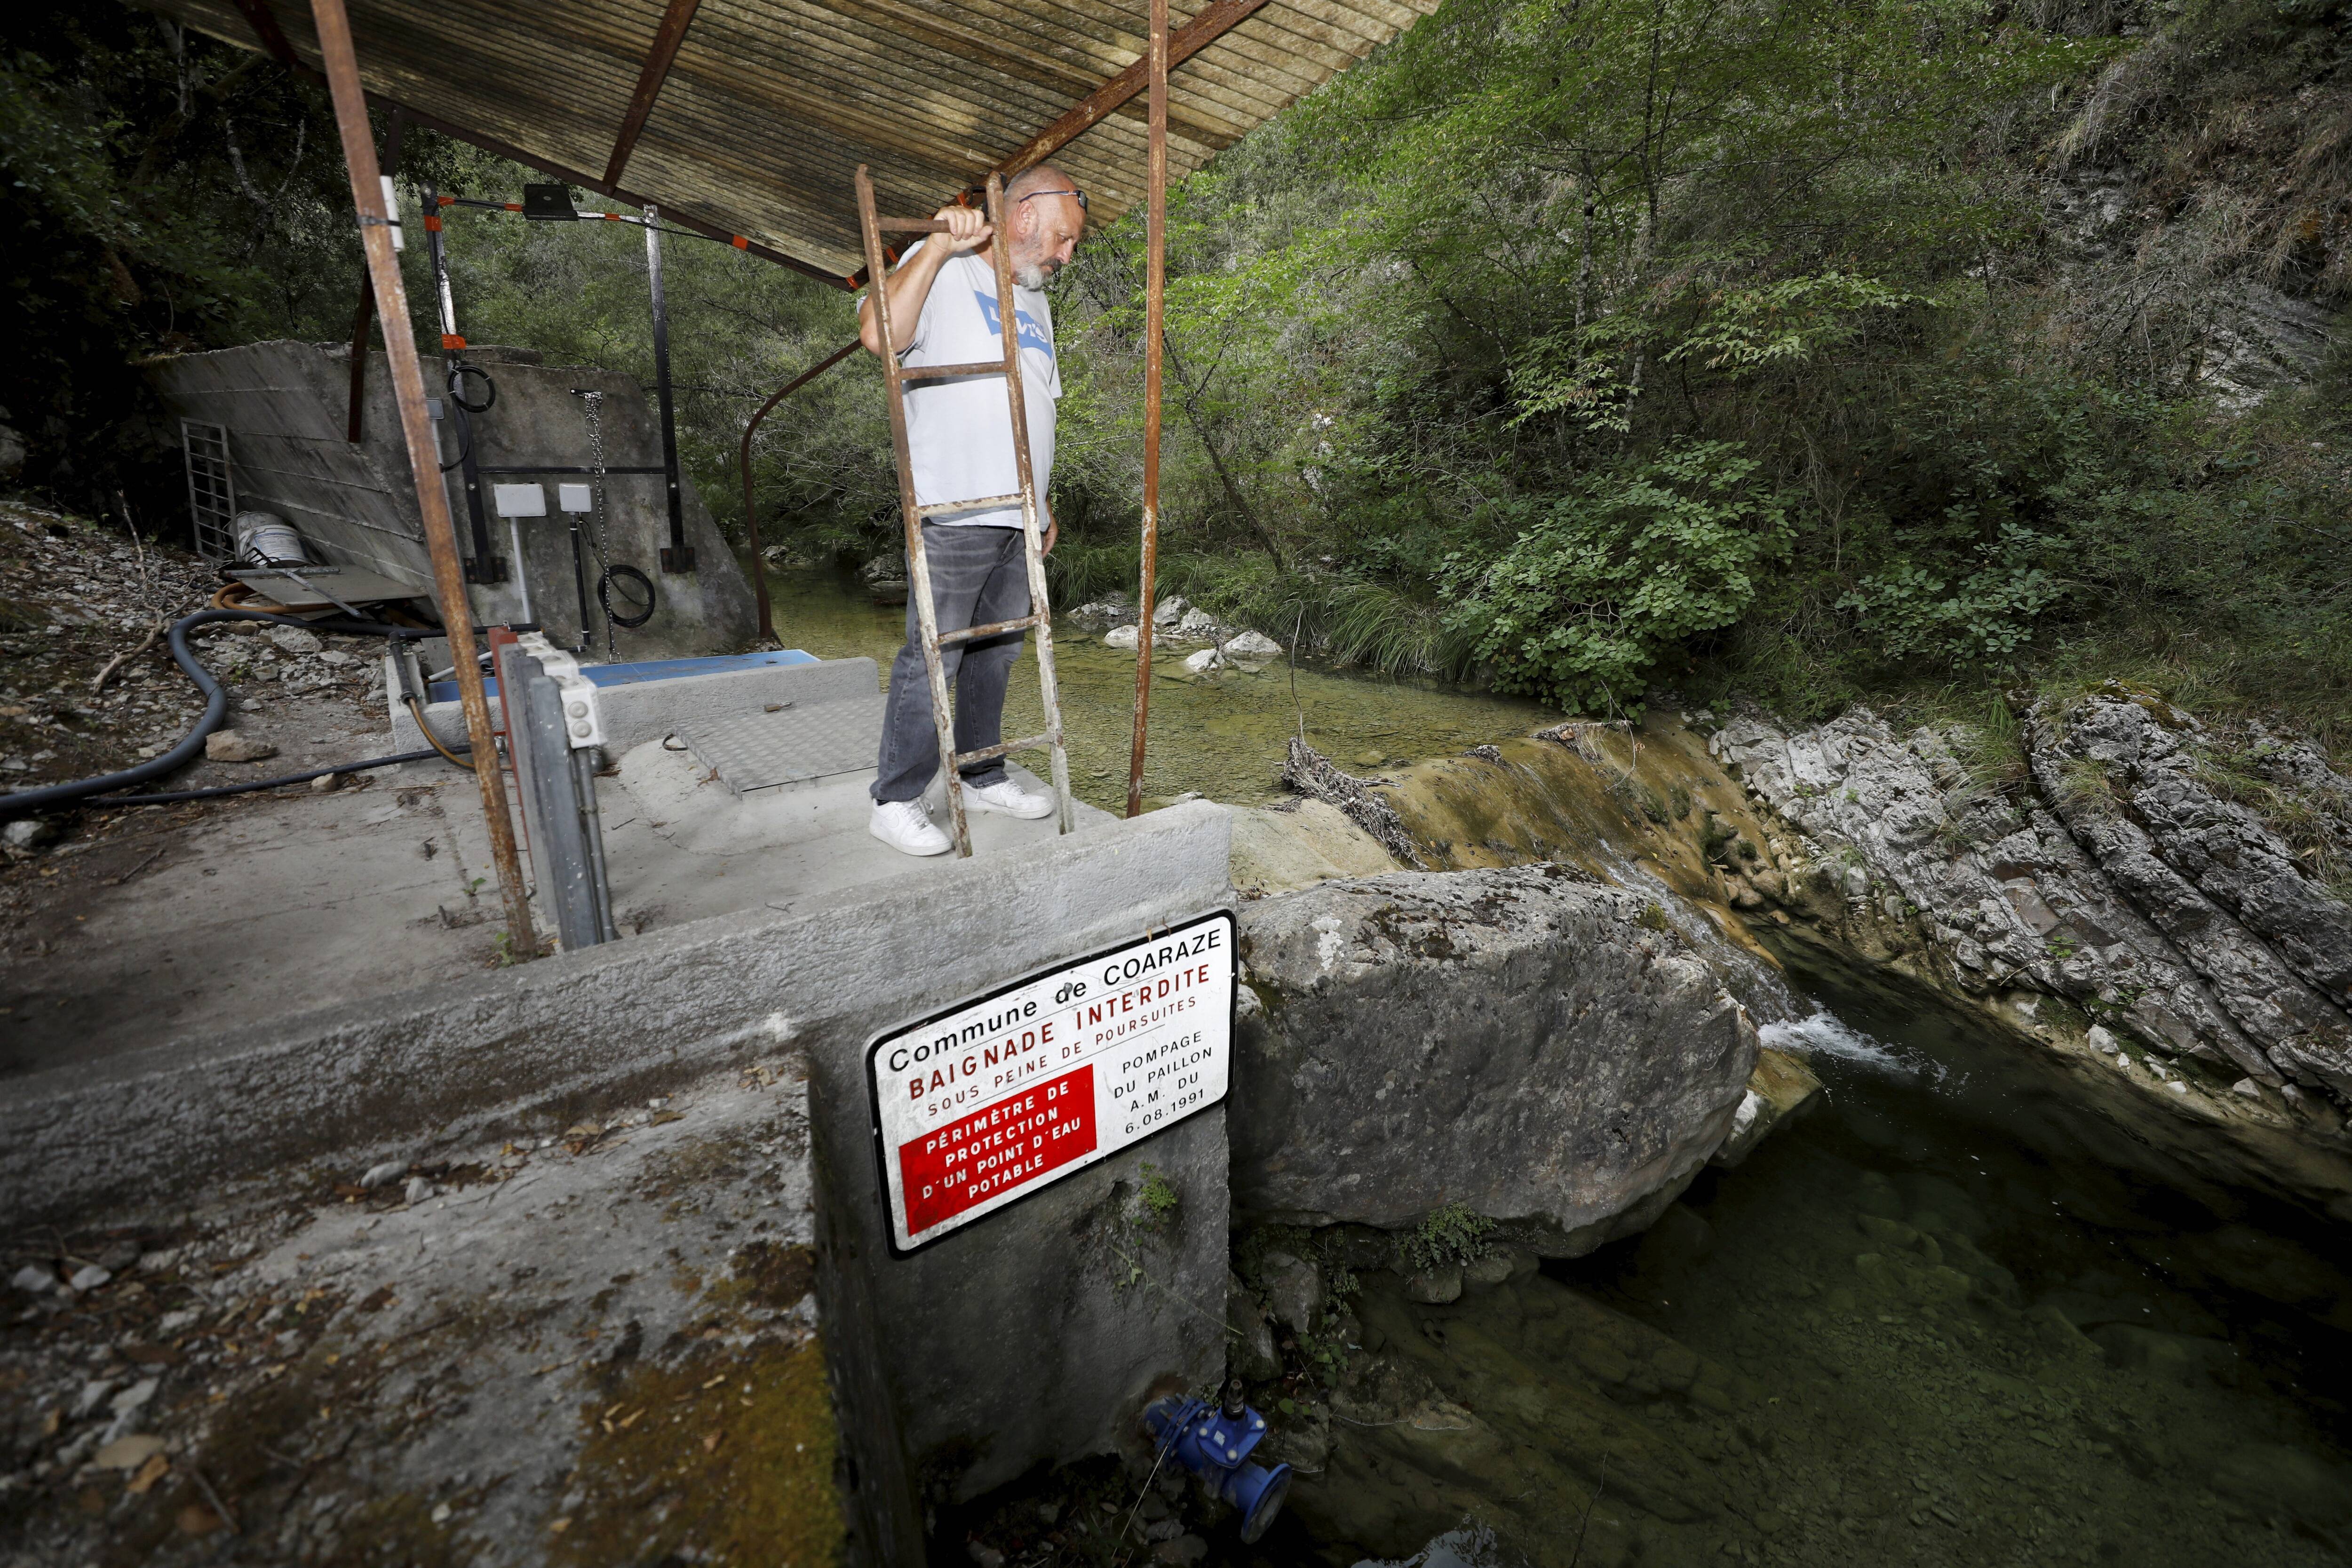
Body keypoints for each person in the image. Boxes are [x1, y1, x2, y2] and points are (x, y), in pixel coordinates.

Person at [858, 164, 1087, 856]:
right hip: (952, 505)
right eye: (1063, 238)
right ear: (1023, 218)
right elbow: (880, 335)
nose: (1065, 255)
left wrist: (1042, 500)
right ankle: (895, 798)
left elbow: (1037, 402)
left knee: (998, 651)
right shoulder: (944, 269)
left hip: (1018, 513)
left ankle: (982, 770)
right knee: (933, 658)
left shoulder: (1035, 299)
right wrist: (932, 247)